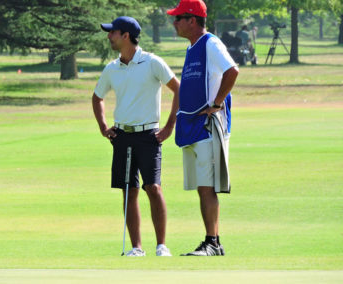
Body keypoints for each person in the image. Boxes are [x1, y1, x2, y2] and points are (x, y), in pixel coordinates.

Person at [92, 16, 180, 257]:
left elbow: (178, 89)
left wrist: (169, 127)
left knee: (153, 187)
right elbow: (97, 96)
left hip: (149, 135)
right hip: (122, 135)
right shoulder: (111, 68)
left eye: (113, 33)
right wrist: (103, 126)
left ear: (126, 36)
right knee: (129, 190)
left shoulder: (152, 63)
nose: (109, 36)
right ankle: (136, 248)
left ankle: (161, 245)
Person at [167, 0, 239, 256]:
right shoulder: (192, 48)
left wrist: (217, 103)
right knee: (202, 187)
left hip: (208, 126)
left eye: (178, 18)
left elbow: (232, 71)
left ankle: (213, 242)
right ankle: (211, 242)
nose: (174, 23)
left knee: (207, 186)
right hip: (192, 126)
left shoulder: (210, 43)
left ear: (192, 20)